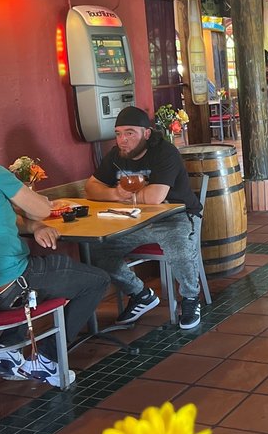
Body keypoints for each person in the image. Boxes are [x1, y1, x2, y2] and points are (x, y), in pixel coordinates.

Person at [0, 126, 110, 387]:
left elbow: (5, 219)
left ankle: (8, 351)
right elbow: (42, 209)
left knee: (37, 276)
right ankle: (46, 358)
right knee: (95, 280)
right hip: (10, 286)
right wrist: (37, 211)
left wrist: (33, 227)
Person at [85, 106, 204, 331]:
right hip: (135, 220)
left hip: (177, 215)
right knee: (96, 251)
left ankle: (190, 298)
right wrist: (115, 194)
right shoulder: (116, 155)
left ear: (146, 133)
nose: (123, 140)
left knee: (177, 246)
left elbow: (155, 197)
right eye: (118, 133)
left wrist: (125, 195)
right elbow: (91, 187)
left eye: (130, 133)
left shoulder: (165, 152)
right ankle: (140, 294)